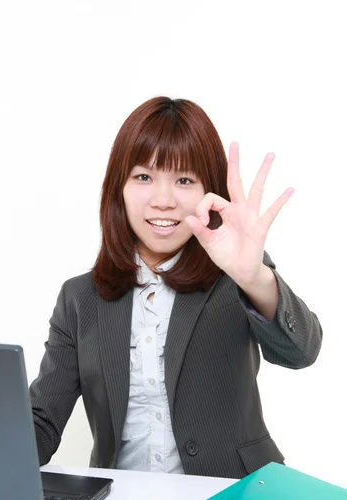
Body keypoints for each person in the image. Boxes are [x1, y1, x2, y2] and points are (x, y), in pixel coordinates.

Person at [30, 96, 322, 479]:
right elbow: (42, 423)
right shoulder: (80, 298)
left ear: (208, 192)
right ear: (119, 187)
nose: (163, 201)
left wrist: (253, 278)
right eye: (144, 177)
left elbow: (302, 352)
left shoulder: (234, 274)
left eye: (184, 180)